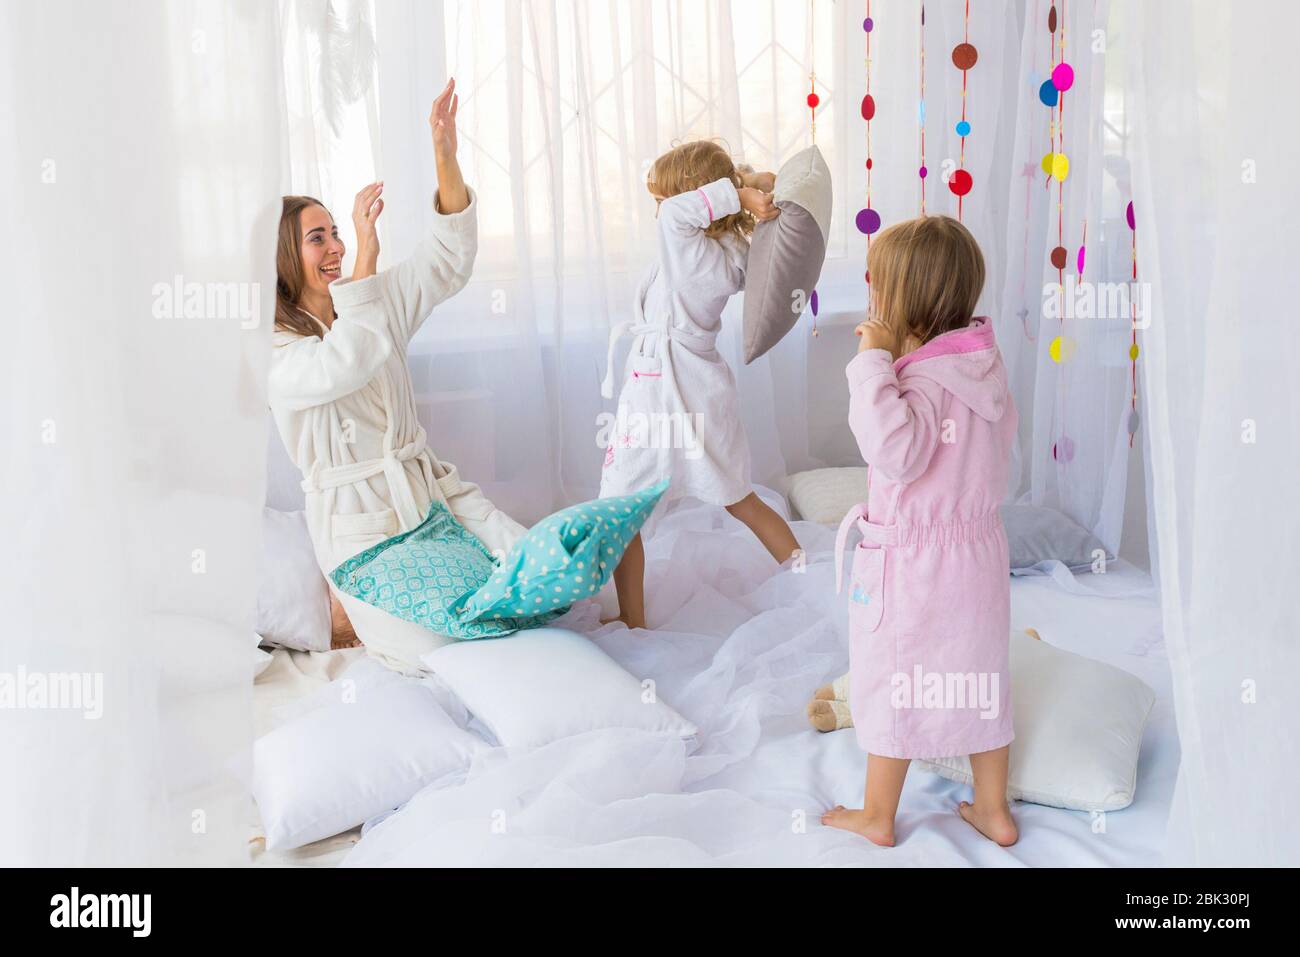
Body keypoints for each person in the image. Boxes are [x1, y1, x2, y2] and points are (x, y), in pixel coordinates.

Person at [268, 78, 524, 674]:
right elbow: (344, 363)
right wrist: (365, 255)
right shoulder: (274, 349)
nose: (334, 246)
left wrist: (445, 154)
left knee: (527, 595)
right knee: (443, 655)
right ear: (284, 257)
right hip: (363, 538)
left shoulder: (371, 306)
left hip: (430, 501)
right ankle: (345, 611)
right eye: (318, 237)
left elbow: (446, 260)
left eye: (337, 231)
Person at [821, 215, 1019, 847]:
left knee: (893, 679)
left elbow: (896, 454)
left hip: (916, 562)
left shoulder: (921, 381)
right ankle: (993, 809)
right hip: (979, 554)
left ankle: (878, 816)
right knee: (983, 674)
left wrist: (871, 362)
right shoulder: (982, 370)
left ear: (899, 298)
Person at [598, 140, 801, 630]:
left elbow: (674, 217)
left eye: (664, 198)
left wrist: (737, 190)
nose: (659, 211)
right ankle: (808, 575)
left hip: (662, 391)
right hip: (698, 385)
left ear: (694, 197)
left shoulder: (688, 247)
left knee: (622, 509)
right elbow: (681, 216)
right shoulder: (729, 249)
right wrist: (747, 189)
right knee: (739, 497)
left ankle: (633, 618)